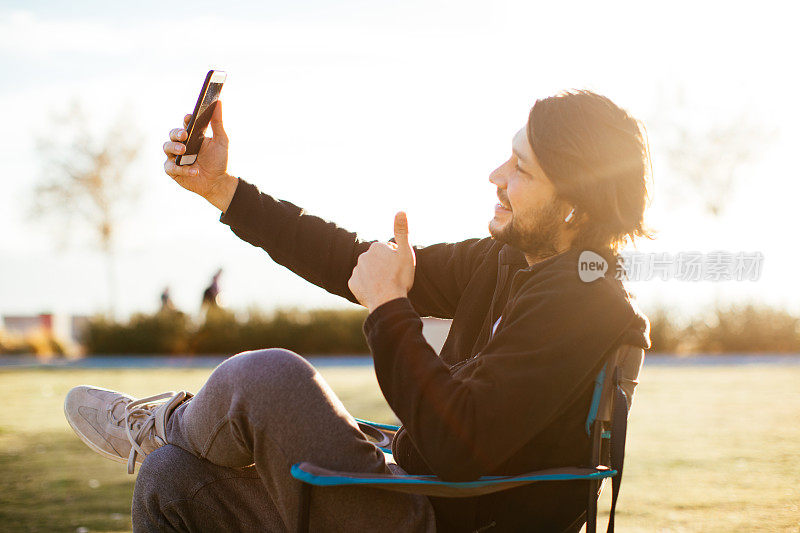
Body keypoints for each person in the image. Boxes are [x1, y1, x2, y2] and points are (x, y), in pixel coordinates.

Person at [64, 89, 652, 532]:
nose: (496, 176)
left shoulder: (583, 300)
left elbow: (459, 444)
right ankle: (163, 436)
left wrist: (390, 307)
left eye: (521, 169)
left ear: (574, 206)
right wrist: (223, 189)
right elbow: (348, 259)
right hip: (409, 489)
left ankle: (161, 424)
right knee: (171, 483)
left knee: (270, 377)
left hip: (447, 518)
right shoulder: (504, 262)